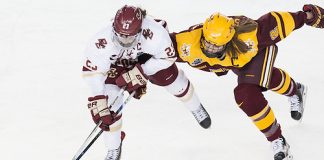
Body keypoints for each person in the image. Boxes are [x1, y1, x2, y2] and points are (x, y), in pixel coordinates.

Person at [170, 4, 323, 160]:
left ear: (229, 40)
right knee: (264, 79)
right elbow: (158, 44)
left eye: (216, 46)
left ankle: (277, 139)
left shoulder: (251, 36)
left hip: (258, 52)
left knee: (246, 94)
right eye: (207, 42)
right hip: (235, 61)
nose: (209, 49)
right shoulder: (186, 43)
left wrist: (307, 16)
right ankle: (295, 90)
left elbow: (279, 21)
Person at [82, 5, 211, 160]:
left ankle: (196, 107)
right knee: (109, 106)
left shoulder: (156, 34)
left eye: (130, 37)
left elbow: (167, 58)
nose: (125, 40)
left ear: (141, 29)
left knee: (175, 82)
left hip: (148, 59)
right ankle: (113, 148)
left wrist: (142, 71)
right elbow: (93, 71)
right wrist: (98, 98)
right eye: (121, 36)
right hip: (118, 65)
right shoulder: (100, 40)